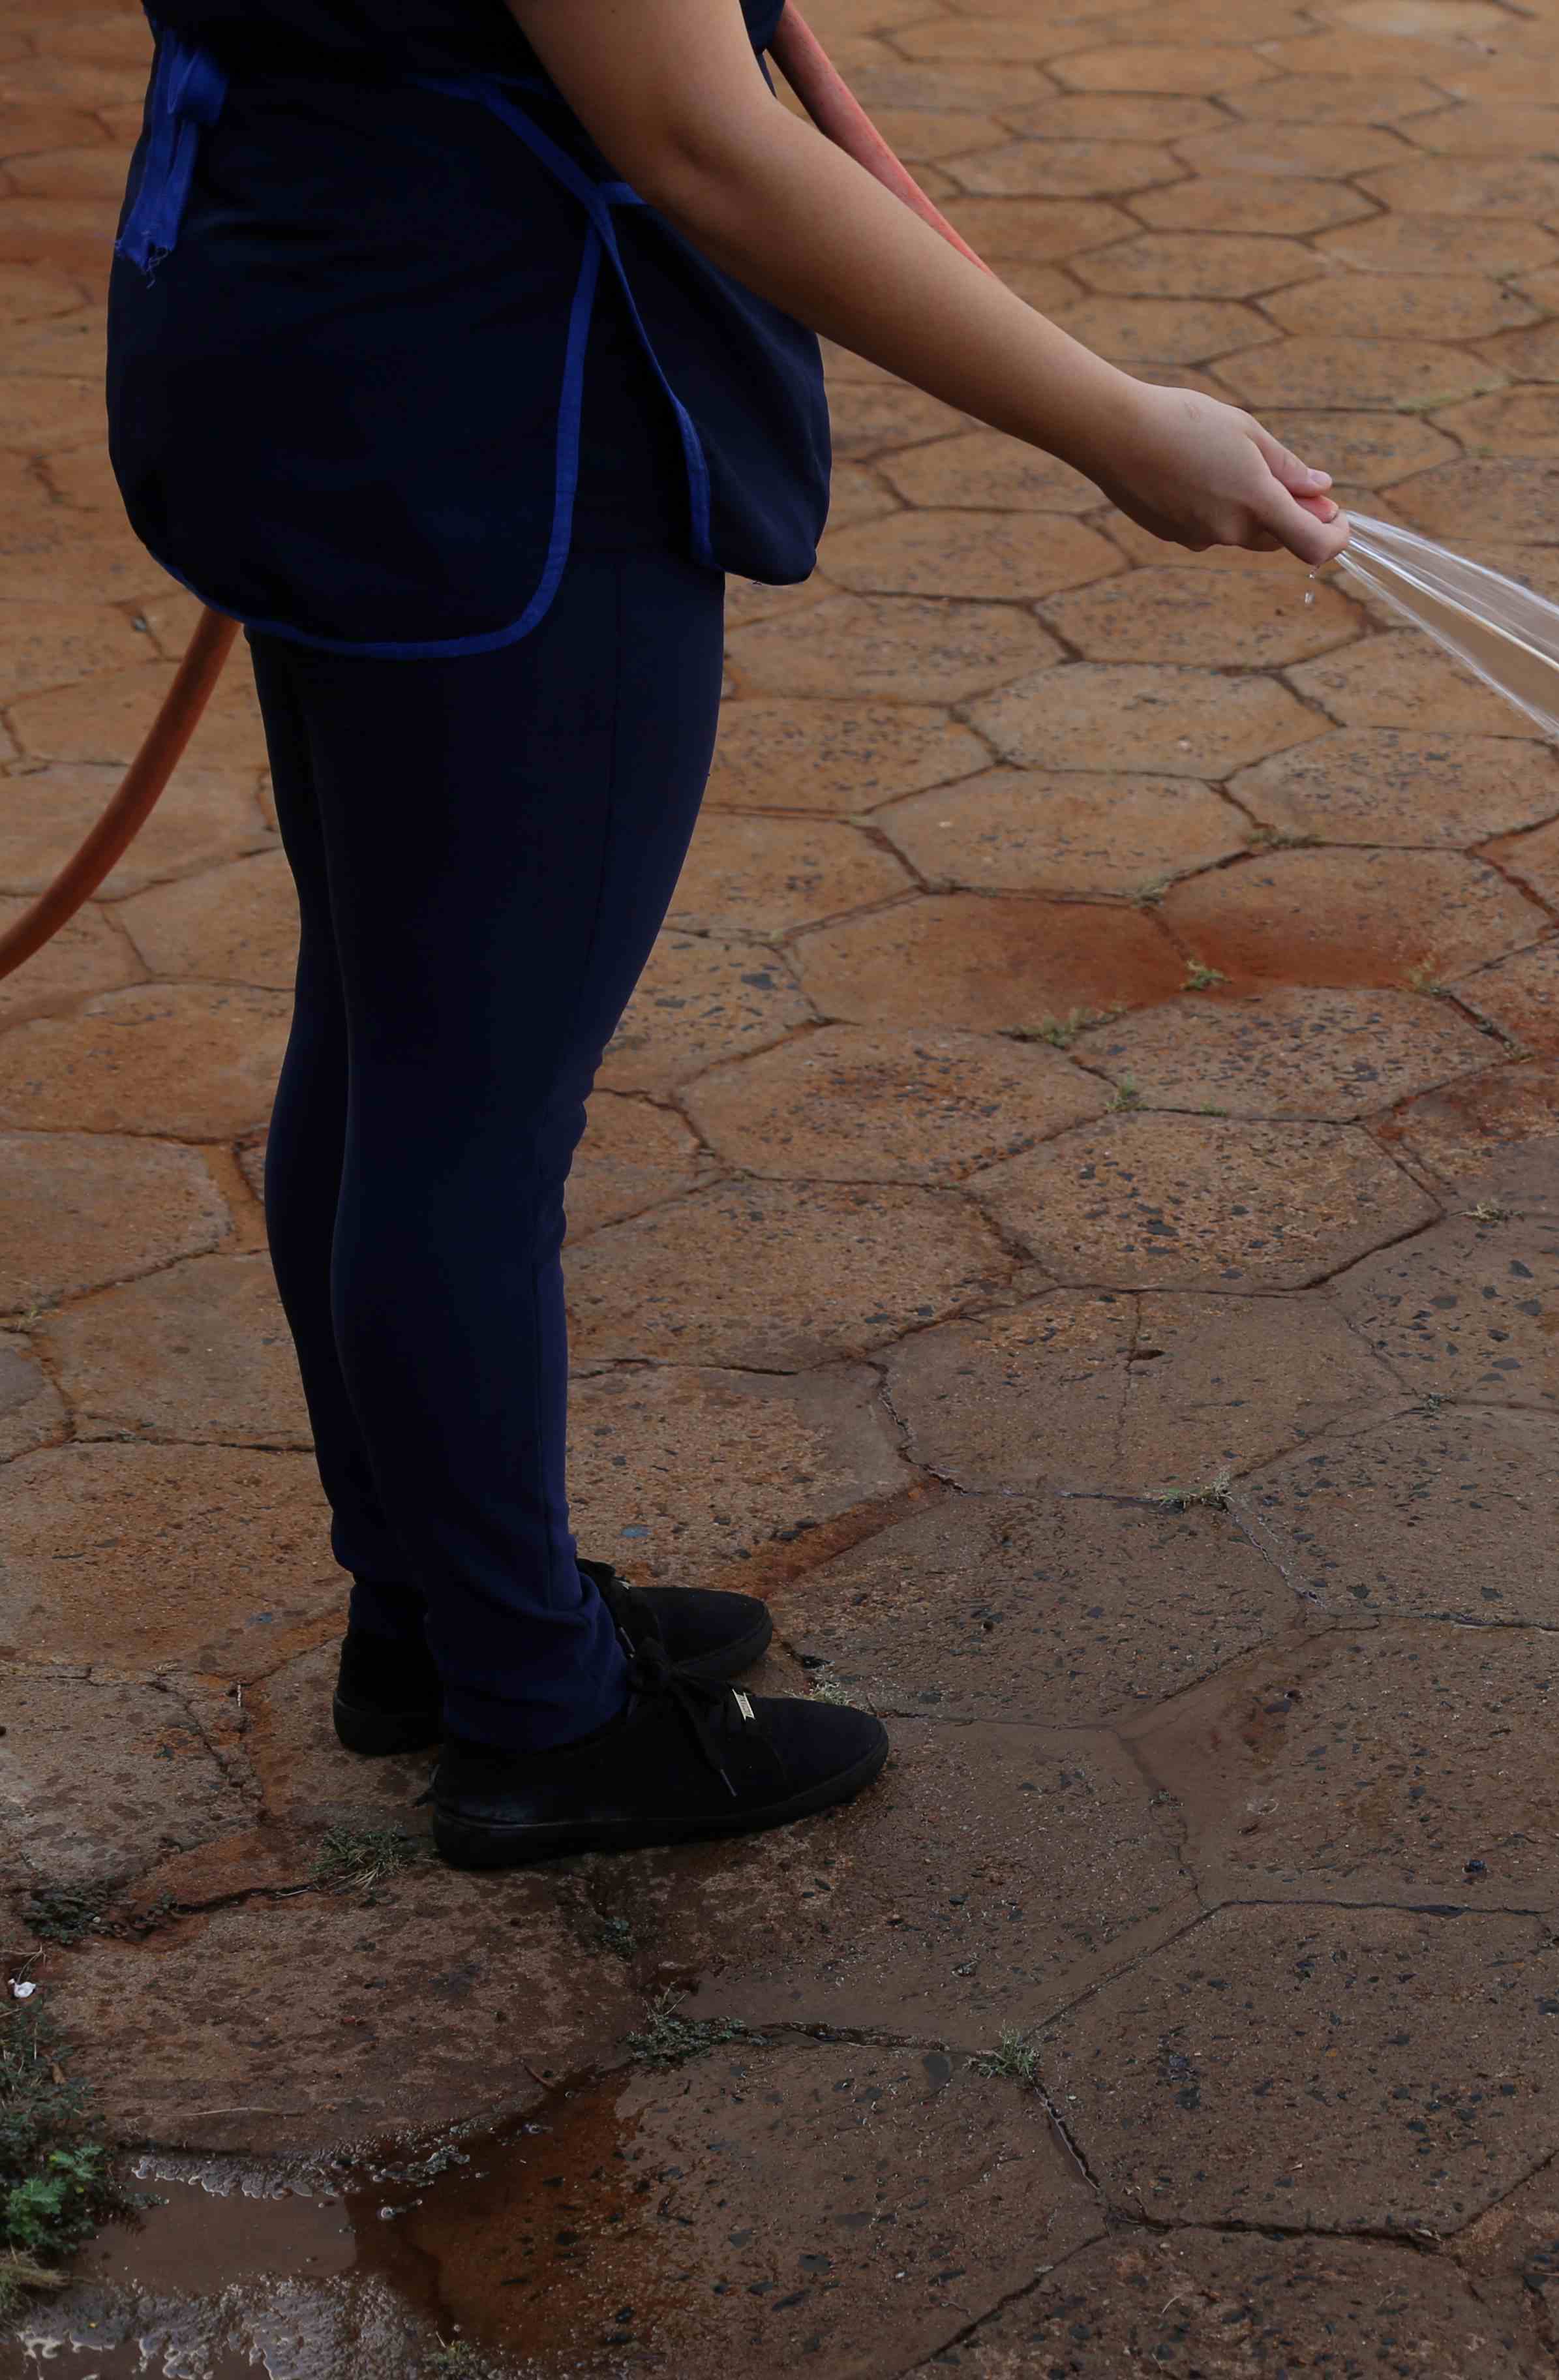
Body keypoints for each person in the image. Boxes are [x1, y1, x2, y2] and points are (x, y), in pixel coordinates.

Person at [106, 0, 1348, 1868]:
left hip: (302, 316)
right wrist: (1119, 426)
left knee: (384, 1029)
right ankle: (543, 1717)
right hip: (485, 409)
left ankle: (442, 1612)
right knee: (466, 1099)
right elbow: (700, 139)